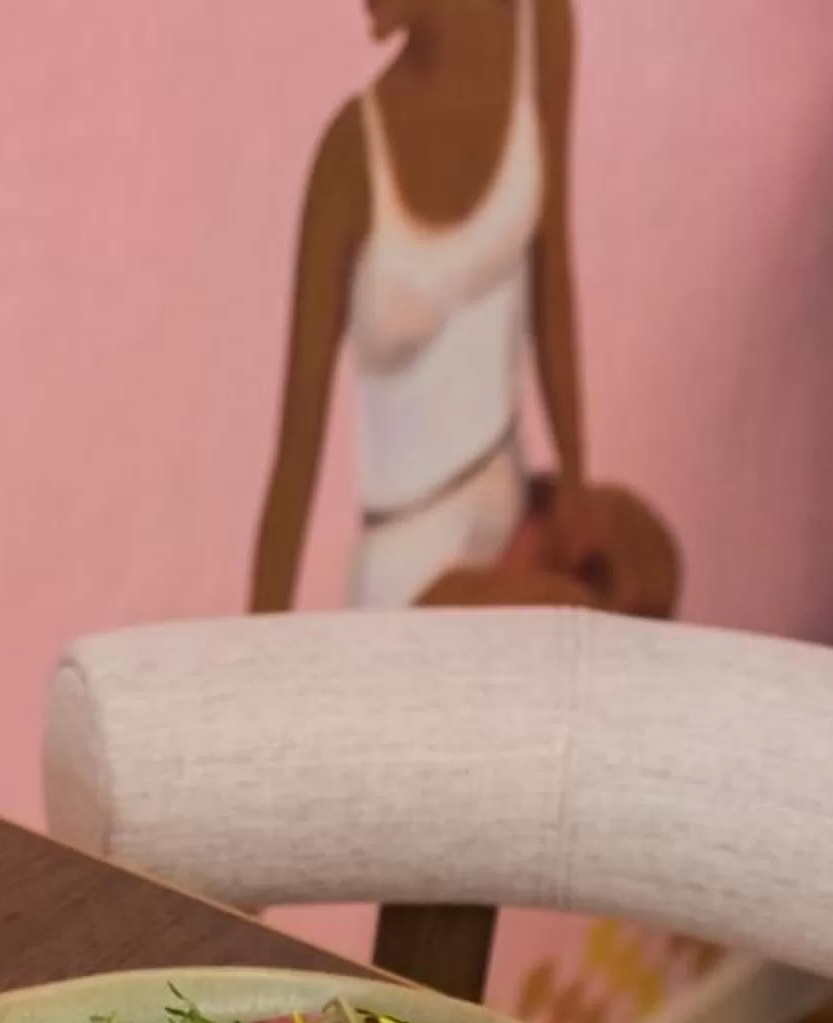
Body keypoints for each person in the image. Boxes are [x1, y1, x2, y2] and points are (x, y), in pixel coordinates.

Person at [252, 0, 679, 617]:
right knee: (579, 623)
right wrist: (251, 657)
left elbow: (552, 271)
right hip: (415, 559)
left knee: (646, 568)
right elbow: (297, 455)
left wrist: (575, 483)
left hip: (508, 495)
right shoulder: (347, 161)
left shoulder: (540, 25)